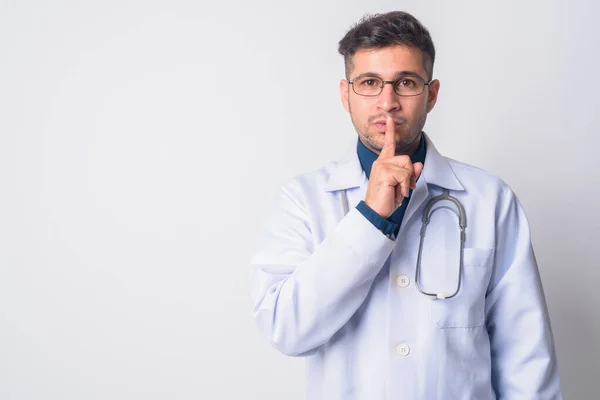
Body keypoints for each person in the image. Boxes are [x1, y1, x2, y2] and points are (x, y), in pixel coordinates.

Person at [248, 10, 562, 399]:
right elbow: (287, 330)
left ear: (431, 94)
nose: (388, 102)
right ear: (346, 94)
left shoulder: (491, 200)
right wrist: (369, 219)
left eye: (406, 83)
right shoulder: (303, 200)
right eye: (369, 82)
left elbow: (526, 358)